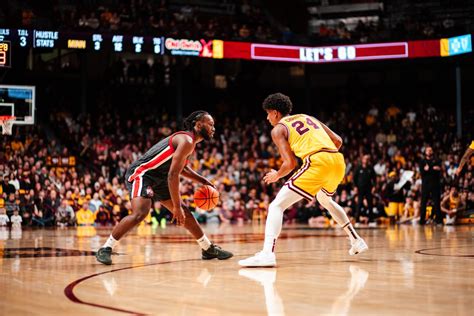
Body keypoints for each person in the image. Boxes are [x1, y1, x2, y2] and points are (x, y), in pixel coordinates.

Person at [239, 93, 367, 267]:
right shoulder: (308, 117)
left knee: (276, 205)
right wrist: (326, 156)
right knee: (325, 199)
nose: (267, 118)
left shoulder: (278, 129)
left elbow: (290, 163)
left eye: (268, 113)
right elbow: (338, 140)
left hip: (317, 161)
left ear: (276, 113)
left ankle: (267, 254)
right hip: (337, 160)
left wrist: (277, 174)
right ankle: (356, 240)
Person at [96, 111, 233, 265]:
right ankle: (106, 248)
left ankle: (207, 248)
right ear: (199, 124)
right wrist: (177, 206)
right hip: (143, 173)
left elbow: (183, 169)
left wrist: (203, 181)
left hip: (160, 177)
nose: (213, 128)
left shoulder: (190, 143)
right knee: (141, 212)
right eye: (211, 124)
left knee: (186, 214)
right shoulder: (186, 140)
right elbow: (173, 175)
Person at [419, 146, 443, 225]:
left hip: (435, 185)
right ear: (425, 152)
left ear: (432, 151)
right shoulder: (422, 161)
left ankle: (439, 220)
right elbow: (422, 172)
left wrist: (429, 169)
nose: (429, 151)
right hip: (425, 185)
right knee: (423, 203)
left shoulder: (437, 160)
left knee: (436, 203)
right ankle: (422, 220)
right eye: (427, 150)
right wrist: (433, 169)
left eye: (430, 150)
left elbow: (439, 170)